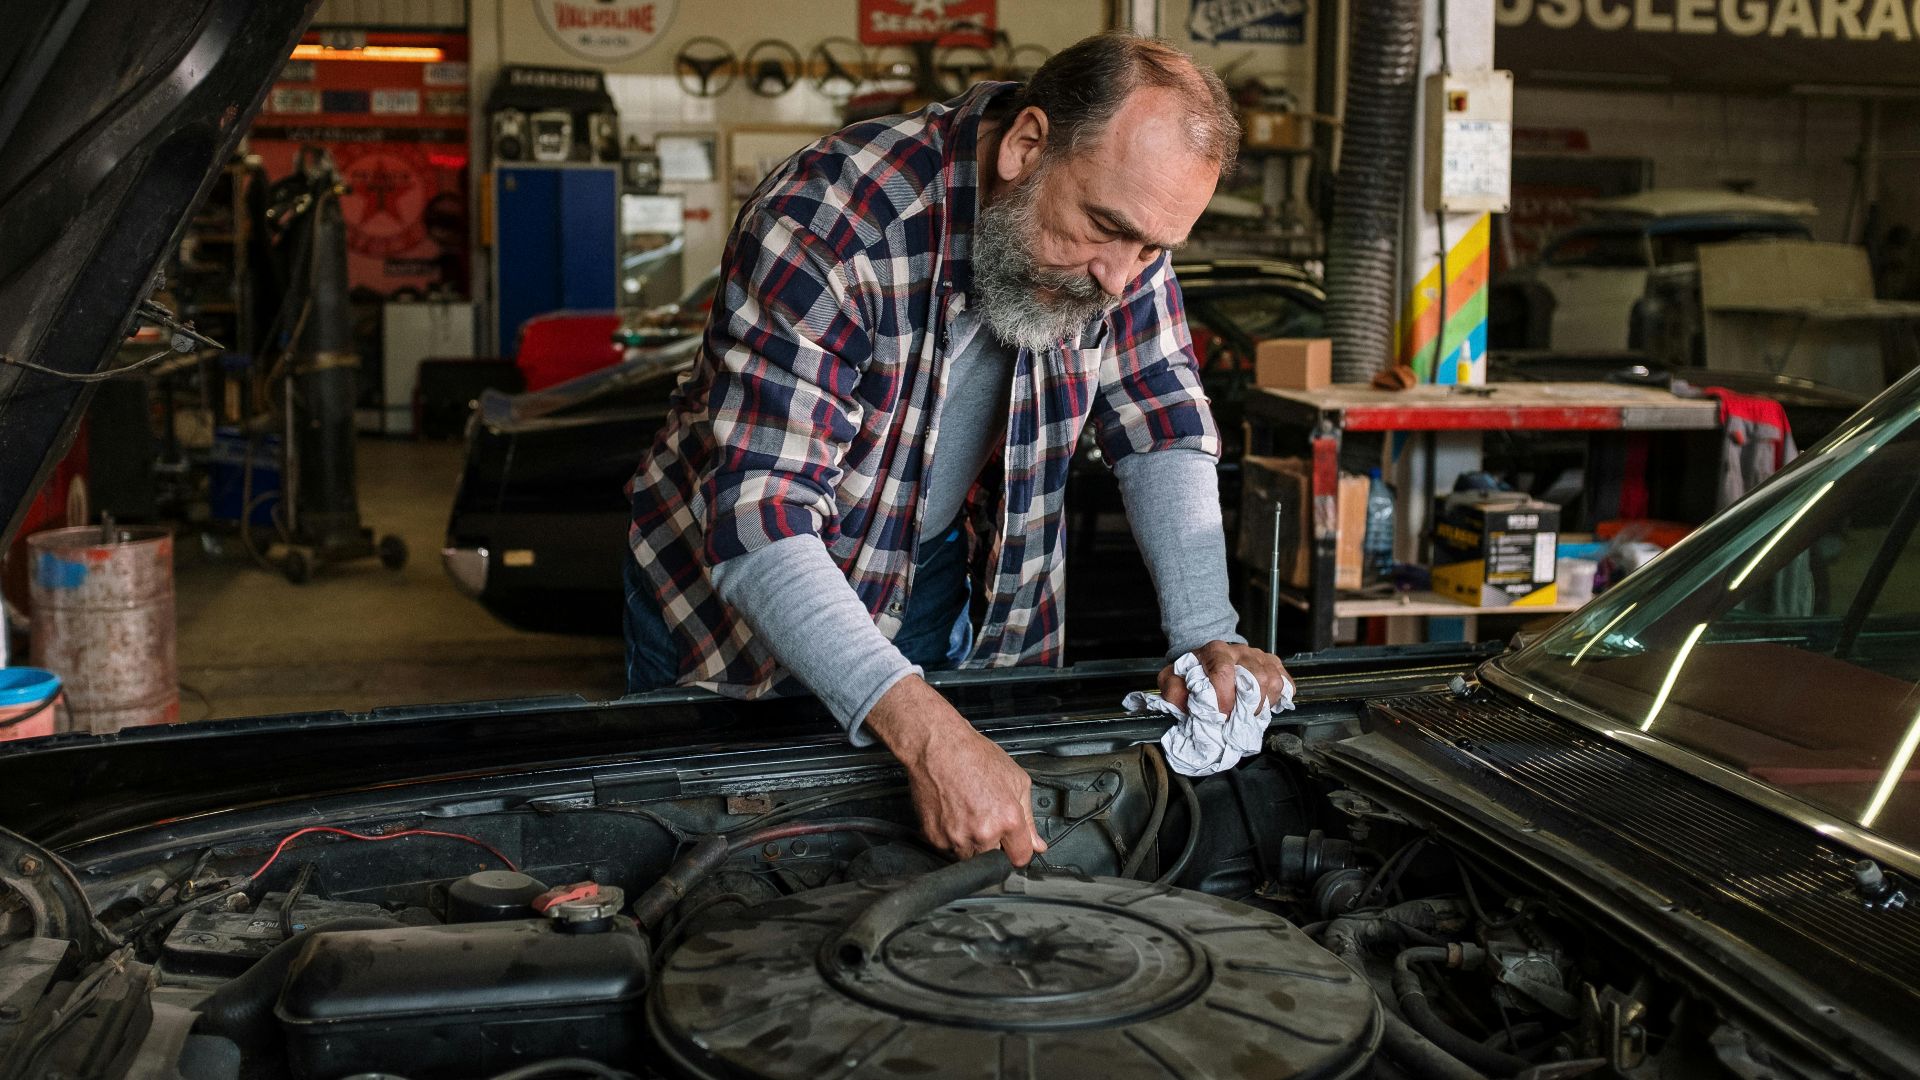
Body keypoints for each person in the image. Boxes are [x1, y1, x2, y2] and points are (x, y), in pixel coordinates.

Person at [623, 30, 1291, 867]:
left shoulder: (1123, 237)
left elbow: (1162, 416)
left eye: (1154, 249)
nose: (1123, 279)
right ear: (1026, 146)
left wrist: (1205, 631)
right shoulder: (831, 222)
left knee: (924, 854)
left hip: (935, 566)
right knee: (733, 859)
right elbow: (762, 516)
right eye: (1105, 230)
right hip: (734, 605)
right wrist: (928, 733)